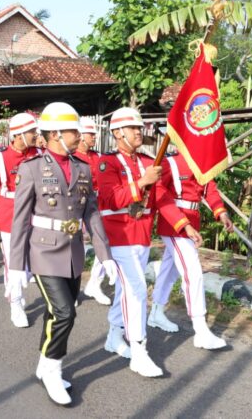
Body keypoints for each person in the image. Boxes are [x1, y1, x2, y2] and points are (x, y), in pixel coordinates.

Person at [8, 102, 115, 406]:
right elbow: (19, 221)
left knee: (58, 313)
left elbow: (91, 212)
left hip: (73, 251)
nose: (79, 136)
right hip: (42, 250)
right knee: (65, 312)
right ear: (55, 133)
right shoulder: (31, 169)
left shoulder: (82, 168)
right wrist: (16, 267)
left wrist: (104, 255)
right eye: (73, 131)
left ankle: (44, 363)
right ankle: (53, 368)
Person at [97, 106, 164, 378]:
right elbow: (111, 199)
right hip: (119, 236)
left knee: (125, 292)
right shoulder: (107, 163)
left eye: (140, 127)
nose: (139, 131)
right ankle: (138, 349)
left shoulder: (148, 161)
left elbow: (161, 200)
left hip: (142, 235)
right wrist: (141, 182)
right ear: (118, 133)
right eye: (133, 128)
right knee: (137, 289)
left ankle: (114, 335)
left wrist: (182, 225)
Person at [150, 149, 232, 349]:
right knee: (193, 272)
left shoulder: (199, 162)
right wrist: (183, 224)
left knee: (170, 270)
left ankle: (155, 312)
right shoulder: (170, 162)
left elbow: (209, 188)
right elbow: (160, 195)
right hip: (175, 224)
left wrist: (220, 212)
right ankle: (201, 329)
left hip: (190, 222)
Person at [0, 112, 42, 328]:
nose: (35, 135)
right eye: (31, 132)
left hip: (36, 214)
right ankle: (16, 303)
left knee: (29, 265)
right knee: (14, 263)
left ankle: (15, 288)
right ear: (18, 135)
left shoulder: (39, 154)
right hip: (10, 215)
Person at [74, 117, 111, 306]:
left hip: (97, 204)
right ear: (81, 136)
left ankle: (95, 283)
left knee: (104, 243)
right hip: (77, 204)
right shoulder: (72, 157)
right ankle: (71, 289)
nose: (95, 137)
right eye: (91, 134)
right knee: (74, 246)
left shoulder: (97, 157)